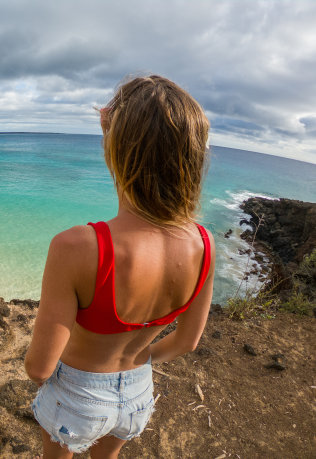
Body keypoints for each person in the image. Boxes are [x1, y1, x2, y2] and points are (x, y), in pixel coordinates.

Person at [24, 75, 215, 459]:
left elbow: (39, 369)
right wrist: (137, 362)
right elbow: (186, 342)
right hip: (138, 394)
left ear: (117, 151)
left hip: (77, 396)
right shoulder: (204, 245)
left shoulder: (76, 247)